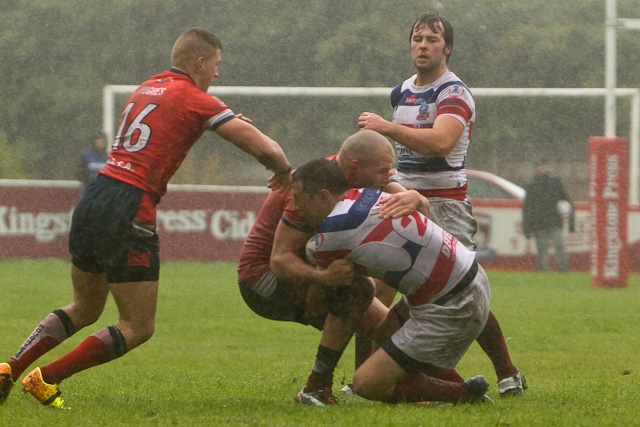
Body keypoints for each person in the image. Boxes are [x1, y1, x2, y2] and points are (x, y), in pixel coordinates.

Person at [0, 27, 292, 408]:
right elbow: (267, 150)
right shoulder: (196, 99)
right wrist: (284, 171)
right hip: (130, 202)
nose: (218, 73)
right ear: (200, 62)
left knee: (85, 306)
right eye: (217, 65)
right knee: (138, 326)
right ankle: (47, 378)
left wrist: (219, 119)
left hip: (96, 195)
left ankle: (9, 368)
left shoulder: (147, 87)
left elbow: (167, 128)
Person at [357, 12, 526, 397]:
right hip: (401, 205)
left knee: (461, 291)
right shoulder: (401, 91)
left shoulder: (453, 92)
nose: (423, 45)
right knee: (375, 291)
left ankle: (507, 373)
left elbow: (440, 143)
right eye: (417, 38)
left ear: (447, 48)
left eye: (432, 39)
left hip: (444, 207)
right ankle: (362, 377)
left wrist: (386, 127)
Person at [238, 130, 430, 406]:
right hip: (262, 281)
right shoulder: (313, 188)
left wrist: (416, 198)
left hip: (314, 272)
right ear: (355, 168)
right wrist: (323, 277)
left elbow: (410, 201)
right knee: (357, 288)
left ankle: (450, 387)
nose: (388, 177)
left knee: (391, 329)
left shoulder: (365, 176)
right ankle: (316, 387)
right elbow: (279, 259)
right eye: (383, 171)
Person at [290, 158, 493, 404]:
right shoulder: (365, 194)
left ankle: (463, 394)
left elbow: (333, 305)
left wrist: (314, 282)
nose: (296, 208)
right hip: (471, 279)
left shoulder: (332, 233)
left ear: (323, 196)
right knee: (385, 332)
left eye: (299, 199)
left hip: (450, 304)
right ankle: (455, 386)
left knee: (367, 384)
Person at [522, 158, 575, 273]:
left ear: (547, 167)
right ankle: (545, 271)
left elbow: (566, 199)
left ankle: (564, 270)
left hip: (554, 220)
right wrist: (527, 226)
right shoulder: (532, 184)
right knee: (542, 250)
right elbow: (527, 207)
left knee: (559, 246)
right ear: (536, 168)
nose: (541, 168)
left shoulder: (554, 182)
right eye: (539, 166)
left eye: (543, 165)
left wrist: (571, 220)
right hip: (539, 222)